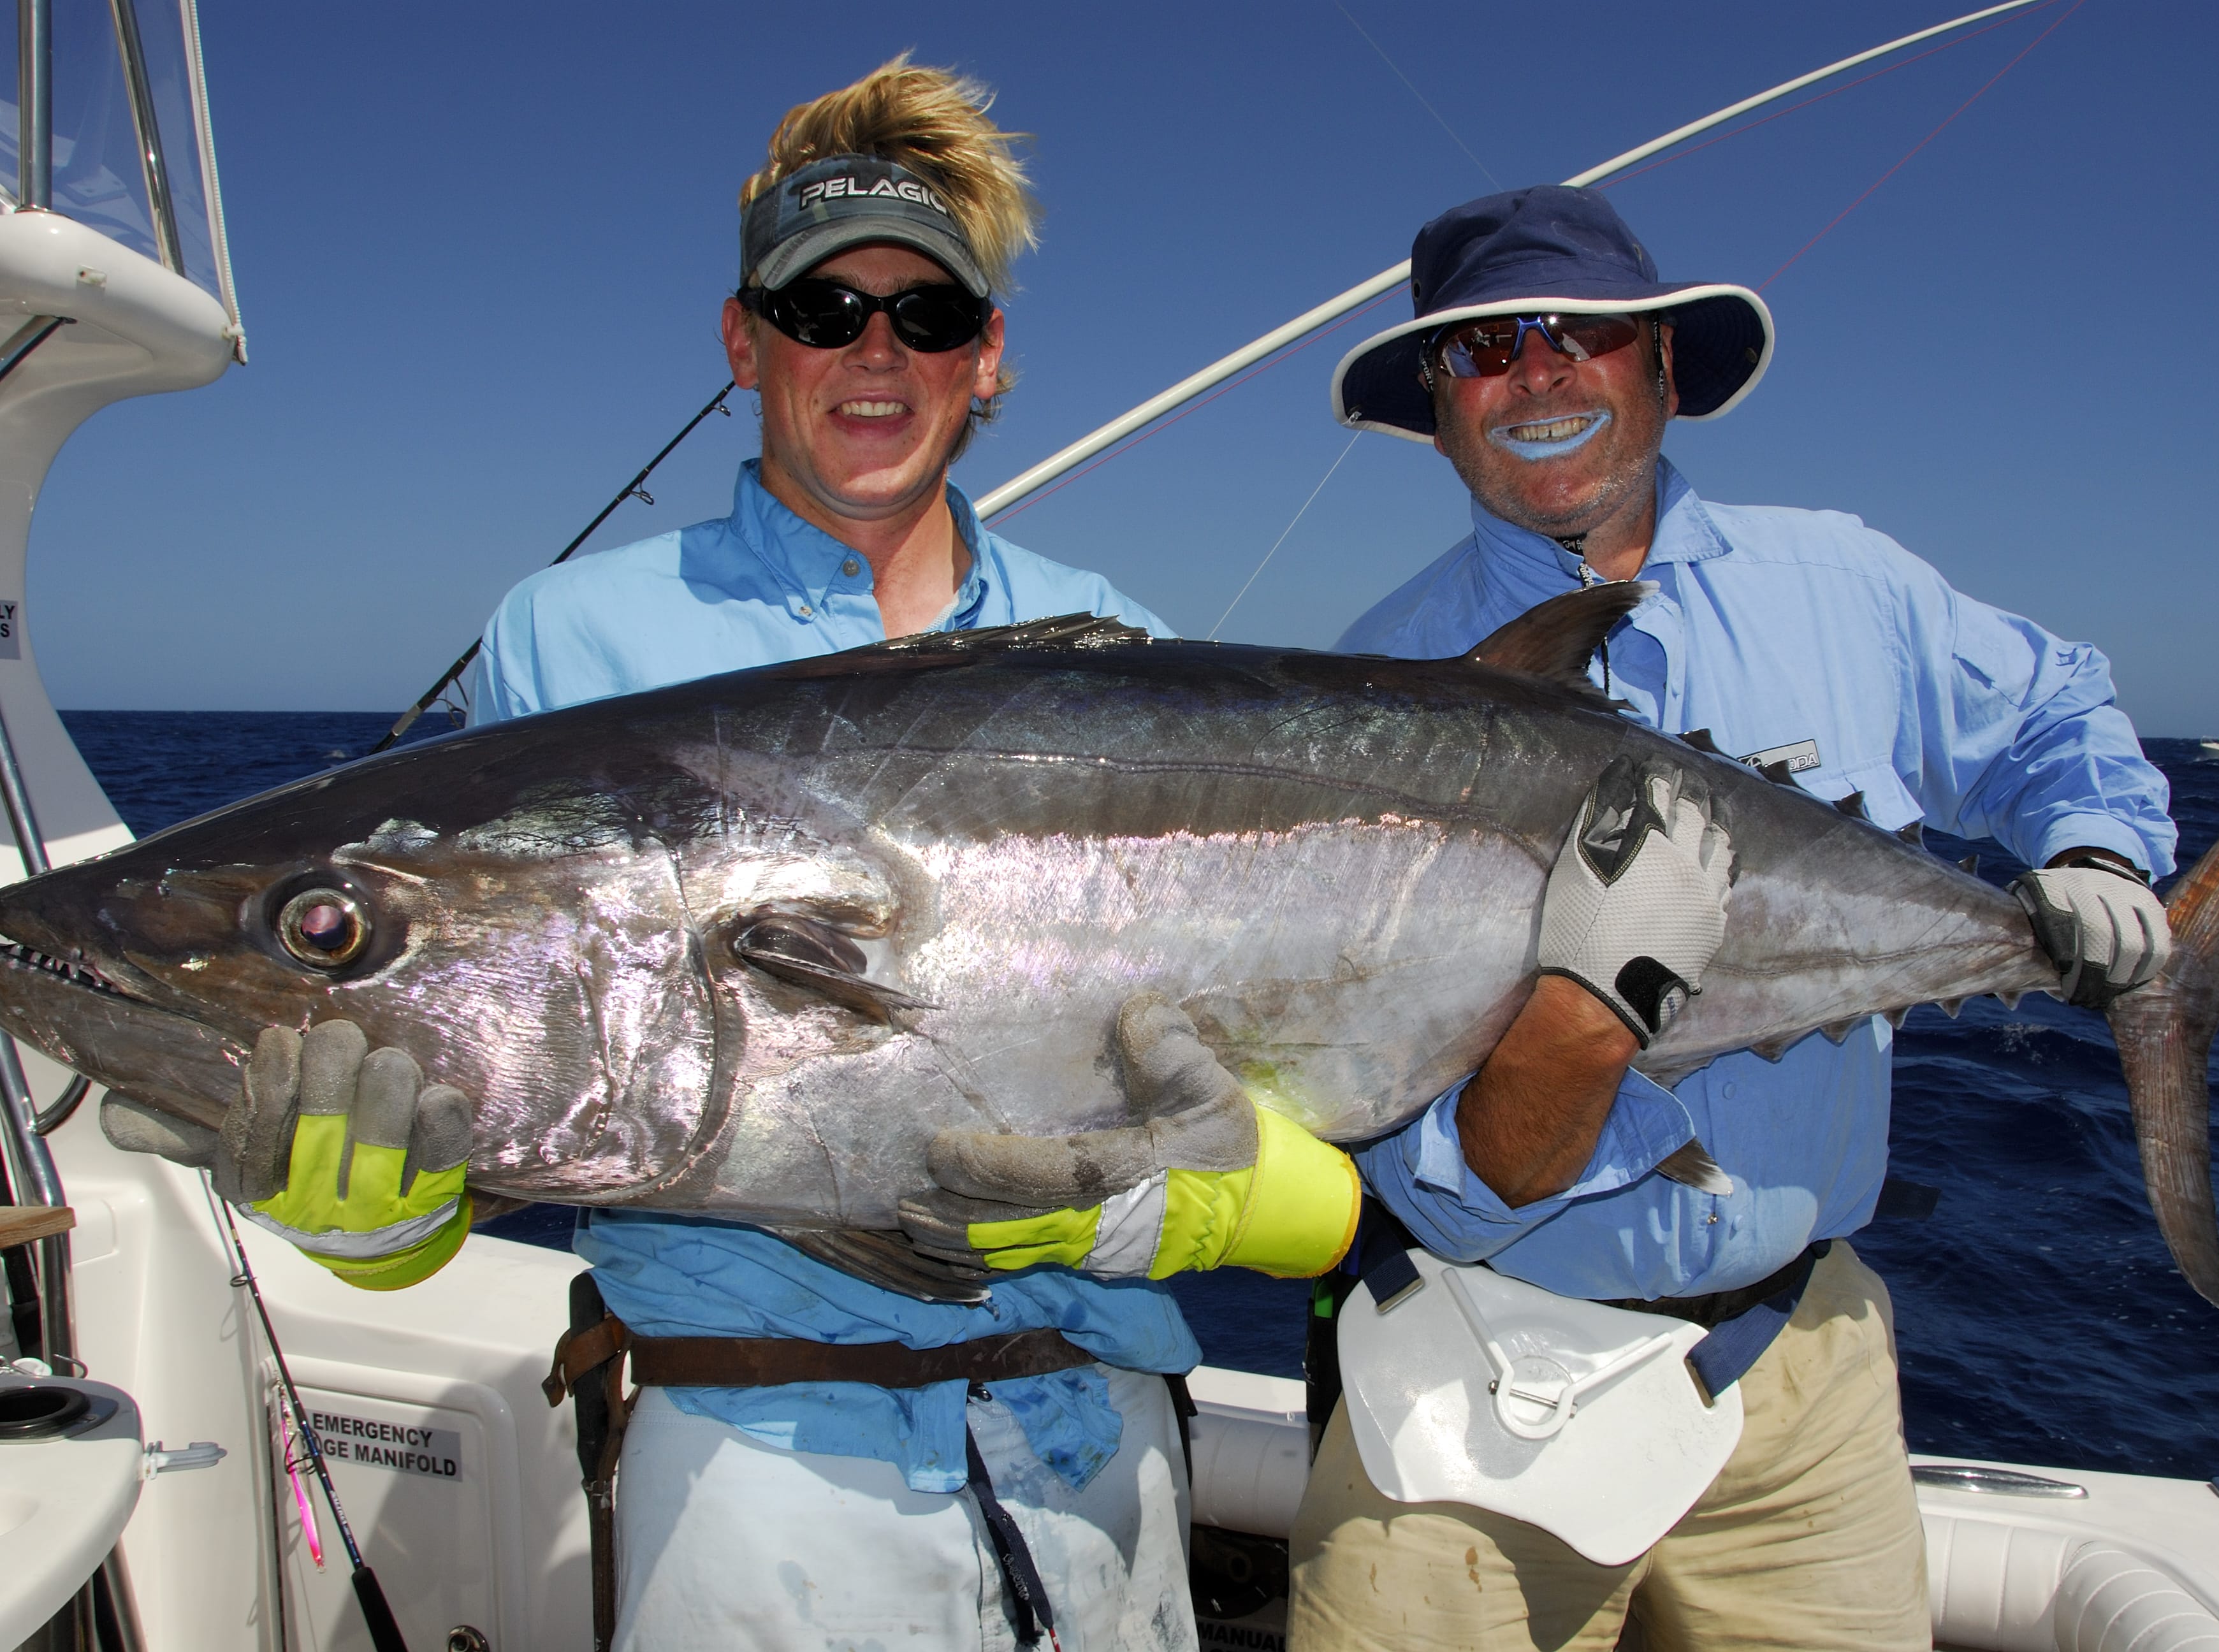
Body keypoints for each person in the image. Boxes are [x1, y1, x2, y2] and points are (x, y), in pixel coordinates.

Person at [100, 57, 1359, 1651]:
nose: (873, 353)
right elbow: (525, 1058)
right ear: (743, 340)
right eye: (824, 312)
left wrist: (1208, 1212)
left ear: (988, 360)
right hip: (762, 1474)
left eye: (926, 316)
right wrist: (380, 1212)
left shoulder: (1118, 646)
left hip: (1099, 1450)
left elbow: (1258, 1076)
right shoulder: (580, 629)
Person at [1280, 185, 2179, 1651]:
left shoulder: (1851, 583)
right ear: (1438, 412)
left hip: (1802, 1378)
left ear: (1665, 373)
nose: (1540, 372)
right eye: (1487, 350)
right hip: (1468, 1388)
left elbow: (2050, 709)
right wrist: (1566, 1051)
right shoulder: (1370, 680)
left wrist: (2094, 850)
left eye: (1585, 335)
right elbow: (1386, 1109)